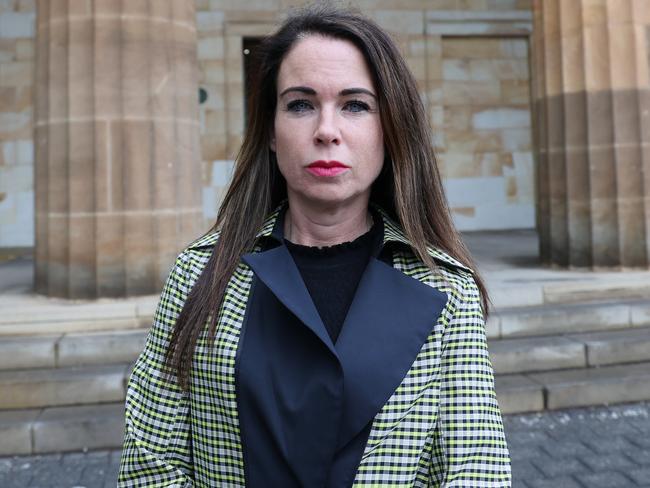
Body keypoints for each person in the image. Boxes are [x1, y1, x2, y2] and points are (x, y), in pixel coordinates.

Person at [118, 4, 511, 487]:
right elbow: (152, 465)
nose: (327, 130)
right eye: (301, 104)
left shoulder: (447, 288)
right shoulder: (199, 274)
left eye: (355, 105)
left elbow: (475, 469)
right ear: (270, 131)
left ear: (390, 129)